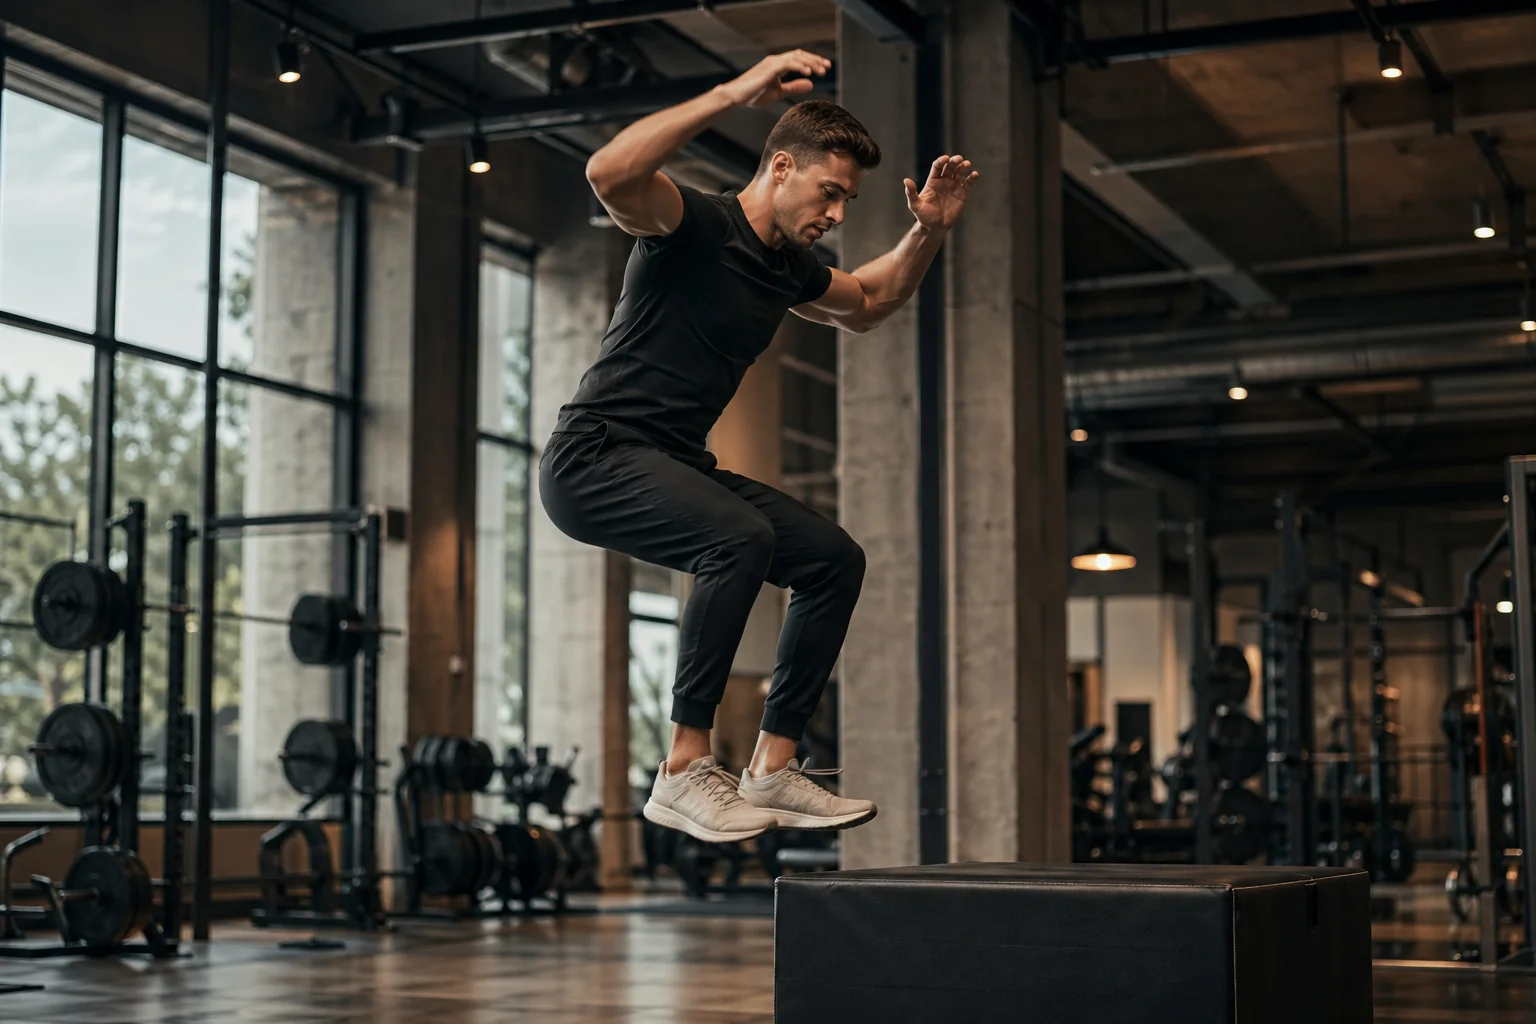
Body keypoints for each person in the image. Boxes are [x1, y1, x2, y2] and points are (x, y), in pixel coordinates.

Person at [540, 49, 980, 843]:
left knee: (831, 559)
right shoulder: (691, 225)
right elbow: (608, 173)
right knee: (737, 537)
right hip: (593, 457)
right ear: (781, 167)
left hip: (672, 463)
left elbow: (872, 301)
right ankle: (682, 769)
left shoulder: (787, 267)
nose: (839, 214)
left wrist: (927, 231)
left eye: (848, 199)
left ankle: (774, 764)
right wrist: (735, 91)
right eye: (831, 193)